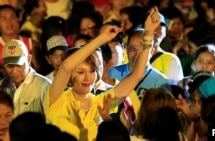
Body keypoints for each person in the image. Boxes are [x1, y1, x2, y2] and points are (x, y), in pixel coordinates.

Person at [44, 7, 161, 141]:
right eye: (81, 72)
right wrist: (101, 39)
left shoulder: (100, 102)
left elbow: (136, 76)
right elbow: (65, 67)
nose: (88, 77)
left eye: (92, 71)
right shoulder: (57, 98)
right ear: (70, 76)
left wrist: (148, 33)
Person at [109, 28, 171, 100]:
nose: (137, 55)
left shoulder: (160, 81)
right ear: (126, 49)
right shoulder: (112, 73)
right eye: (133, 49)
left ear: (152, 51)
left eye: (142, 50)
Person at [0, 39, 51, 117]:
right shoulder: (2, 85)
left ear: (29, 59)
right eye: (9, 66)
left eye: (18, 65)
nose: (14, 71)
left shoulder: (44, 86)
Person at [0, 5, 40, 76]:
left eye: (12, 17)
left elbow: (37, 68)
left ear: (18, 20)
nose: (9, 22)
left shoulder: (31, 44)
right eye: (4, 19)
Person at [149, 12, 184, 85]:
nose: (156, 31)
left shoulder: (171, 60)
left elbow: (174, 90)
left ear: (165, 32)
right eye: (152, 27)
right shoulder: (127, 55)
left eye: (160, 27)